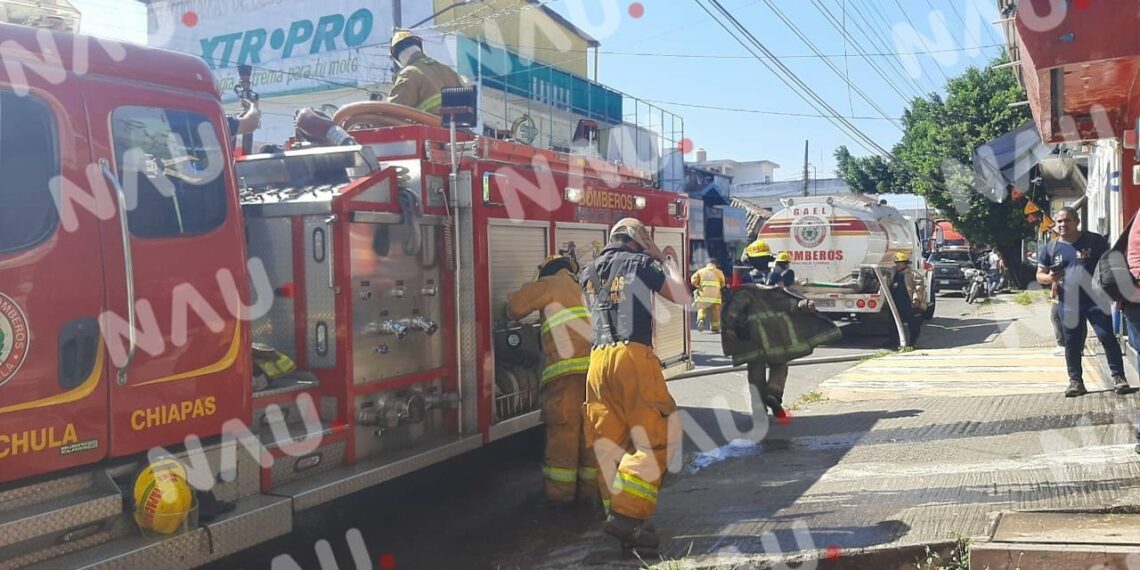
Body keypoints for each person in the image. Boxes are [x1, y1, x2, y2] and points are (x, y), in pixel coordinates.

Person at [580, 218, 691, 551]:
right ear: (639, 240)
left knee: (608, 443)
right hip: (633, 356)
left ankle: (623, 519)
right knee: (658, 435)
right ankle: (626, 519)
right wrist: (664, 259)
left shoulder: (589, 271)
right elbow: (682, 296)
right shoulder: (641, 262)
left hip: (597, 363)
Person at [506, 255, 598, 509]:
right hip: (594, 372)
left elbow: (514, 307)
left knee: (563, 434)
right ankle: (590, 493)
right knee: (589, 434)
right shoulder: (581, 288)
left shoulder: (549, 284)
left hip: (564, 375)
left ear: (548, 270)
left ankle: (561, 498)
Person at [1037, 207, 1135, 397]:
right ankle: (1076, 382)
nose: (1063, 225)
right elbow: (1039, 275)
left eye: (1067, 221)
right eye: (1059, 222)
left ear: (1076, 222)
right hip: (1068, 302)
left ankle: (1119, 378)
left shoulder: (1094, 241)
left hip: (1096, 299)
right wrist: (1051, 278)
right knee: (1072, 342)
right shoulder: (1051, 247)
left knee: (1106, 336)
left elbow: (1110, 263)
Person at [388, 30, 464, 115]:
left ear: (398, 58)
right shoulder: (448, 70)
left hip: (429, 126)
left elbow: (393, 111)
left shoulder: (409, 73)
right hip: (456, 126)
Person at [889, 252, 926, 348]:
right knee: (894, 324)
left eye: (899, 263)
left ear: (905, 263)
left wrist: (915, 299)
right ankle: (895, 343)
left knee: (913, 324)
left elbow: (919, 287)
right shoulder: (893, 273)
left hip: (910, 304)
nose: (897, 265)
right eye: (896, 263)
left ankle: (913, 343)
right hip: (897, 304)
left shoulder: (914, 275)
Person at [690, 259, 726, 333]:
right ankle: (715, 328)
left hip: (703, 296)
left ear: (707, 264)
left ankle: (701, 319)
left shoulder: (700, 271)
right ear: (715, 264)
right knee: (715, 312)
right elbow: (723, 283)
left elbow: (693, 280)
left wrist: (698, 286)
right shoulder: (719, 272)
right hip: (715, 297)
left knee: (702, 308)